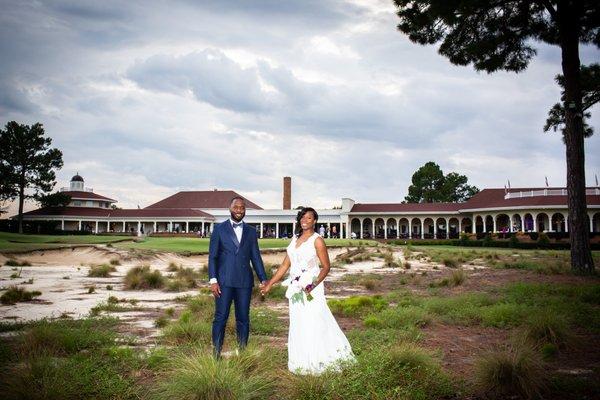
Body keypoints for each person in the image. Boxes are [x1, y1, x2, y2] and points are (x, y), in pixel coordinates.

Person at [262, 207, 355, 374]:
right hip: (295, 289)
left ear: (315, 221)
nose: (305, 220)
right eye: (302, 217)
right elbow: (285, 265)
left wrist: (312, 284)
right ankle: (302, 361)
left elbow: (326, 267)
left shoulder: (317, 240)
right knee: (299, 322)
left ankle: (320, 359)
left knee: (315, 321)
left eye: (309, 218)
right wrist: (271, 283)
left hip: (312, 289)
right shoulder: (295, 239)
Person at [208, 197, 268, 358]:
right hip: (224, 282)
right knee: (220, 317)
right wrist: (213, 280)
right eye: (236, 207)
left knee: (243, 318)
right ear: (230, 208)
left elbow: (255, 257)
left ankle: (242, 353)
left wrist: (263, 278)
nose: (239, 210)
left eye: (242, 207)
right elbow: (212, 257)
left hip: (244, 283)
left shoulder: (251, 232)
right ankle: (216, 353)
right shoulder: (219, 229)